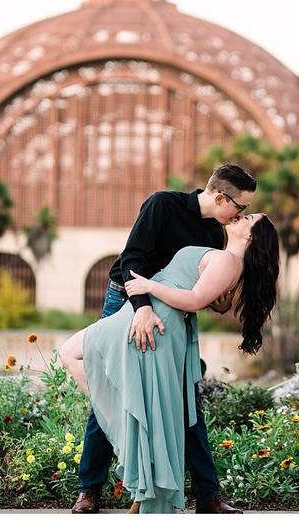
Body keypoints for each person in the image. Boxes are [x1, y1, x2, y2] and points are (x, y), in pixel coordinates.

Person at [67, 164, 257, 514]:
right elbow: (131, 260)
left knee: (185, 398)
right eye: (240, 207)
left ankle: (208, 495)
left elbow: (206, 297)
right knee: (114, 381)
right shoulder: (162, 205)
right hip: (127, 301)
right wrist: (141, 308)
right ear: (220, 197)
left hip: (173, 317)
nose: (240, 214)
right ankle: (89, 489)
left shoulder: (218, 236)